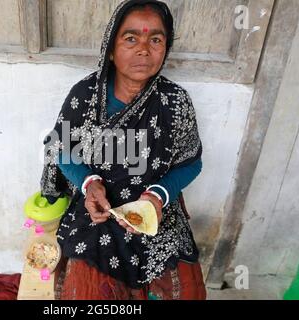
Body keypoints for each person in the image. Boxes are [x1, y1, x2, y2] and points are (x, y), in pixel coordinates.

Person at [40, 0, 205, 300]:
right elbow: (62, 150)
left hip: (155, 210)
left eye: (155, 39)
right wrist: (89, 184)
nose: (144, 49)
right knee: (88, 294)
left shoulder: (175, 101)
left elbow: (191, 163)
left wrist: (159, 195)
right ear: (111, 49)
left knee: (187, 293)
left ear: (165, 48)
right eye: (131, 39)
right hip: (98, 209)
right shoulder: (85, 95)